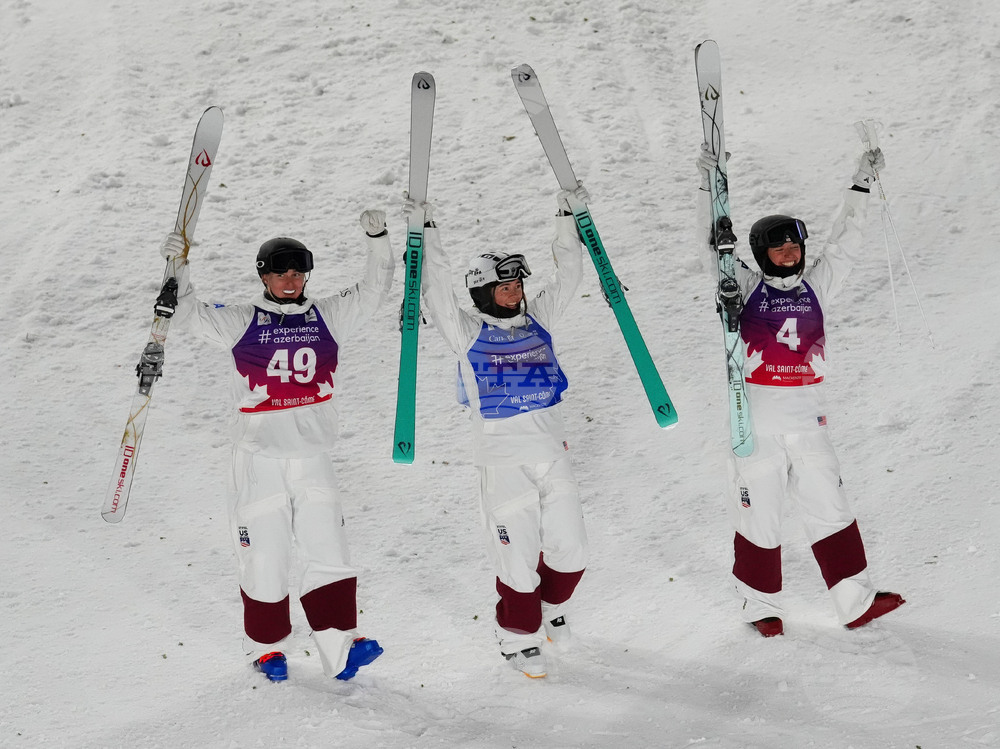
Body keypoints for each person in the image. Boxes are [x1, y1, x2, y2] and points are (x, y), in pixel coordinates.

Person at [159, 208, 393, 681]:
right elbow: (185, 312)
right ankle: (266, 649)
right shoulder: (242, 320)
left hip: (313, 456)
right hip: (259, 458)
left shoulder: (328, 315)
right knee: (266, 553)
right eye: (280, 272)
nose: (290, 280)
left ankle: (340, 647)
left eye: (298, 271)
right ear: (263, 275)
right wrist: (176, 264)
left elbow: (375, 289)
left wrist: (378, 240)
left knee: (329, 547)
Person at [696, 146, 905, 637]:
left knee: (830, 507)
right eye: (779, 248)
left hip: (809, 421)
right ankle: (759, 607)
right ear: (760, 254)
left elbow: (845, 244)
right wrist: (710, 188)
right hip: (757, 423)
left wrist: (861, 183)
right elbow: (710, 248)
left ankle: (855, 602)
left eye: (794, 247)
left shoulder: (818, 287)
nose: (790, 255)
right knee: (759, 514)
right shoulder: (742, 286)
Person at [406, 184, 591, 678]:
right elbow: (436, 291)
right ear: (485, 293)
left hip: (553, 452)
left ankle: (552, 608)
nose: (516, 293)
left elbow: (570, 275)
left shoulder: (540, 320)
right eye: (505, 288)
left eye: (518, 286)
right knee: (517, 556)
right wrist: (427, 232)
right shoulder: (467, 333)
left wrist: (567, 218)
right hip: (503, 460)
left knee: (572, 550)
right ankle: (516, 637)